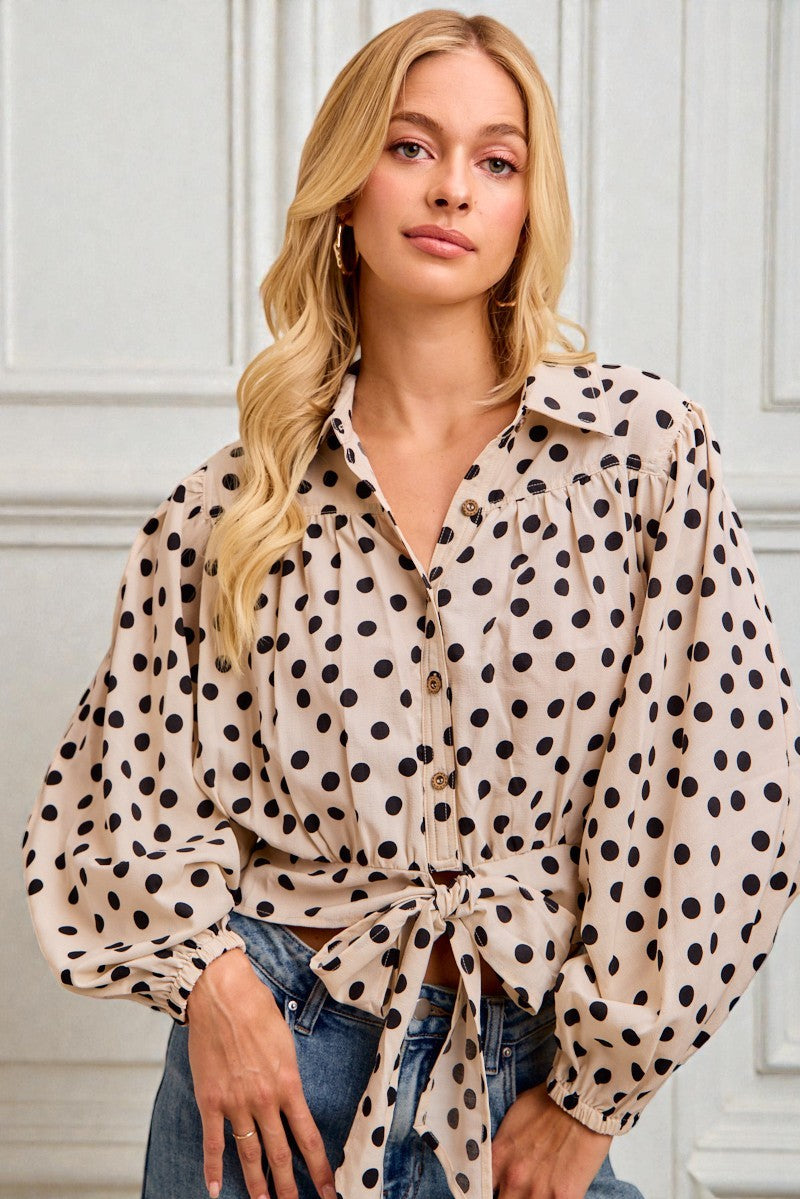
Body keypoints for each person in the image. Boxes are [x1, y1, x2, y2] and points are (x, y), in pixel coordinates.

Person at [21, 8, 800, 1199]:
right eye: (409, 147)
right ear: (344, 186)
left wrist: (593, 1100)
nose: (451, 189)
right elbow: (115, 796)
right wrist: (214, 987)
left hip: (519, 1078)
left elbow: (729, 786)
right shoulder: (234, 501)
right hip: (270, 1070)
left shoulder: (639, 453)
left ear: (527, 208)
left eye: (495, 160)